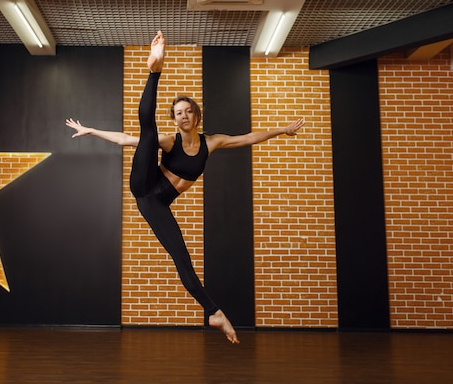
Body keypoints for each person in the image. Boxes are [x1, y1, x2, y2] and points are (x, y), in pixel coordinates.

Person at [66, 31, 304, 344]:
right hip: (144, 184)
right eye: (178, 113)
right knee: (148, 133)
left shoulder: (212, 141)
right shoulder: (170, 140)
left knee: (182, 257)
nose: (184, 116)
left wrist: (282, 130)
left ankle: (214, 312)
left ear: (196, 114)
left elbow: (247, 138)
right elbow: (127, 139)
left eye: (188, 111)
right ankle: (155, 69)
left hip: (157, 203)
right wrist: (91, 130)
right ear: (175, 119)